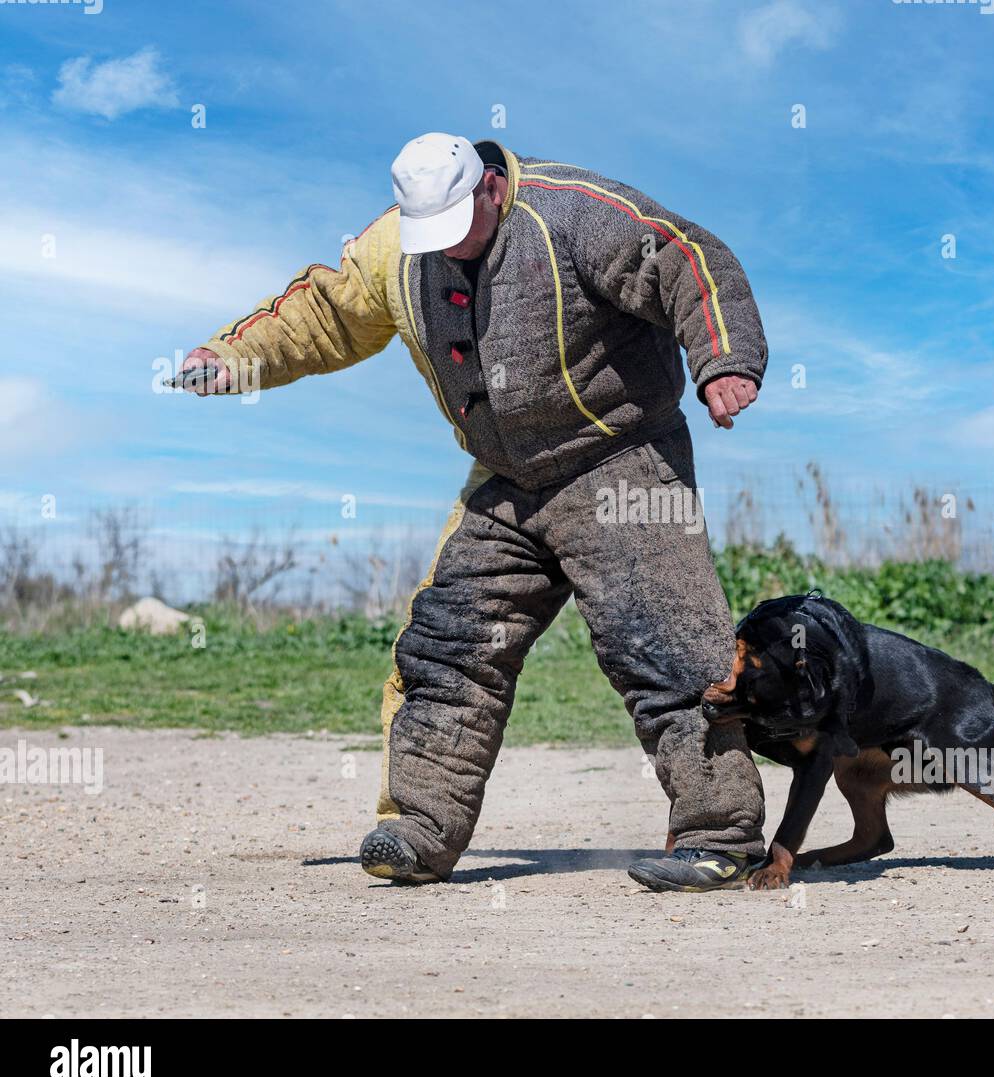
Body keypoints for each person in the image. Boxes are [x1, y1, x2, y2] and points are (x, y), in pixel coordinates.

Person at [182, 133, 769, 892]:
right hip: (506, 481)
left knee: (665, 646)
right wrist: (232, 359)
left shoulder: (577, 212)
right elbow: (326, 314)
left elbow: (687, 258)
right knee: (450, 645)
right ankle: (419, 828)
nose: (447, 248)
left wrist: (723, 360)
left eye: (461, 226)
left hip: (619, 459)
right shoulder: (395, 249)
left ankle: (720, 834)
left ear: (493, 186)